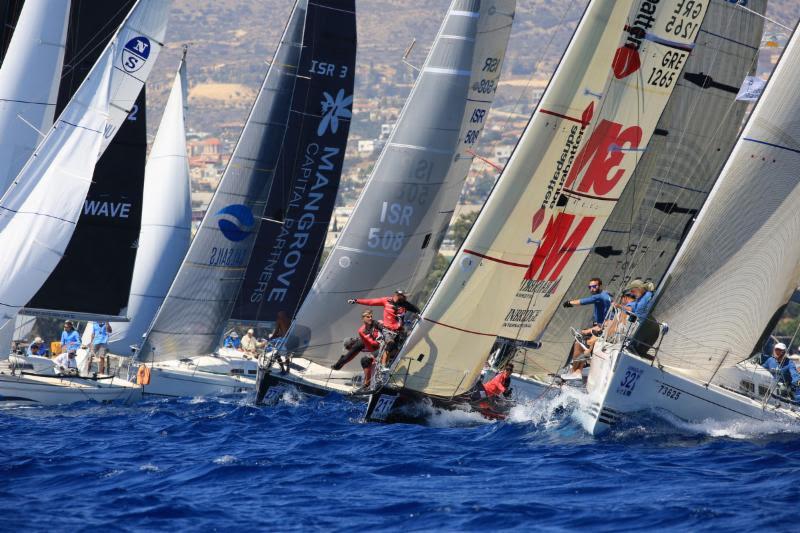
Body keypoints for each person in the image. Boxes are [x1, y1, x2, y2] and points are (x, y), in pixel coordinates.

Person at [347, 290, 420, 366]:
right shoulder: (386, 300)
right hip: (388, 330)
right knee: (390, 344)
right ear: (398, 295)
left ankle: (387, 364)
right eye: (404, 296)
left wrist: (419, 313)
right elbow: (371, 302)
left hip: (399, 330)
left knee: (396, 349)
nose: (405, 298)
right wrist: (356, 301)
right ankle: (383, 366)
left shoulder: (405, 304)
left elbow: (415, 309)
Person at [560, 278, 613, 380]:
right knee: (583, 342)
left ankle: (576, 371)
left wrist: (569, 303)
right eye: (590, 287)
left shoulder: (599, 296)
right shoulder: (606, 295)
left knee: (578, 343)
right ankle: (576, 371)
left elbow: (583, 301)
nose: (592, 289)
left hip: (601, 327)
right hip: (602, 326)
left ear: (600, 286)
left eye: (594, 286)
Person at [332, 310, 383, 387]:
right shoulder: (361, 339)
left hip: (383, 347)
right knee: (369, 361)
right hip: (380, 349)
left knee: (365, 360)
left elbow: (348, 357)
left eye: (348, 348)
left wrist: (337, 365)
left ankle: (367, 385)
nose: (349, 349)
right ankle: (369, 383)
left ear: (351, 345)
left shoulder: (358, 344)